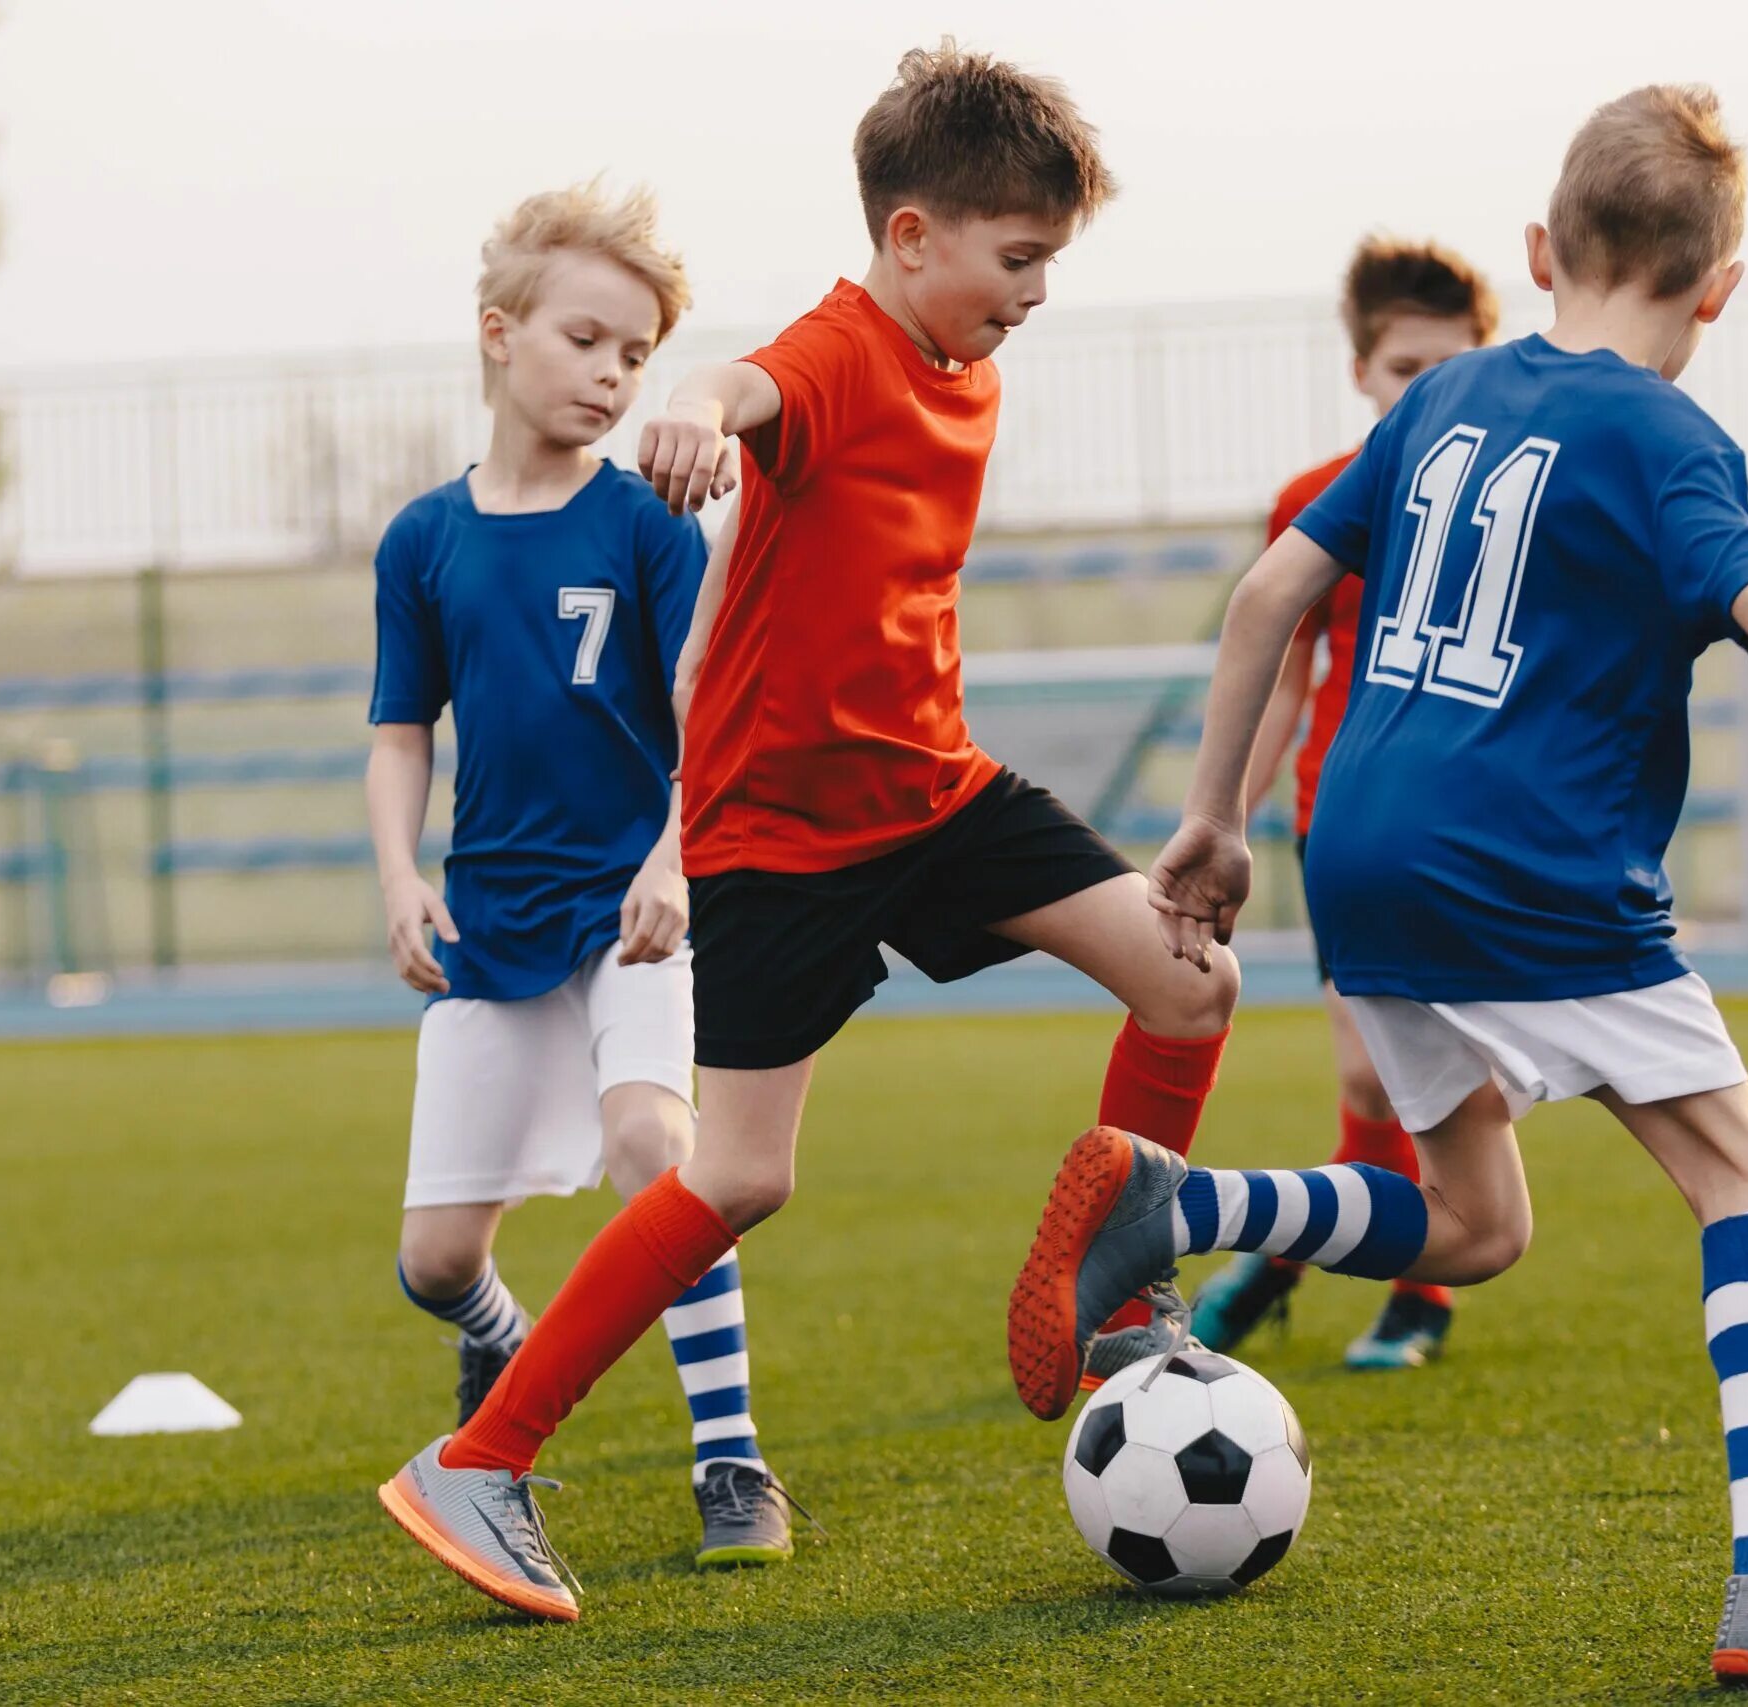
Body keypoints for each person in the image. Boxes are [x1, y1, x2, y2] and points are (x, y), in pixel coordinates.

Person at [1018, 84, 1748, 1685]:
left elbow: (1275, 586)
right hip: (1530, 862)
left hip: (1359, 847)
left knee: (1478, 1222)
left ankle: (1181, 1201)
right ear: (1721, 288)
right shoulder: (1661, 432)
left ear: (1541, 246)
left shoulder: (1446, 399)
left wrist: (1213, 817)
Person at [380, 42, 1238, 1622]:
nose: (1035, 291)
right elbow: (739, 385)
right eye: (1016, 257)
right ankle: (482, 1456)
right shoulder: (838, 351)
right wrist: (693, 414)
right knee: (739, 1177)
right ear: (912, 236)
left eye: (1051, 258)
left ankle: (1125, 1299)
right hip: (777, 842)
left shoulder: (973, 368)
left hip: (936, 789)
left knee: (1190, 979)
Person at [367, 181, 796, 1607]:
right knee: (434, 1259)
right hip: (494, 919)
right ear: (500, 334)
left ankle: (730, 1454)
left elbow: (708, 706)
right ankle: (501, 1334)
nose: (616, 374)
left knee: (657, 1147)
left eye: (637, 352)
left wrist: (674, 859)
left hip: (635, 909)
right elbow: (400, 729)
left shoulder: (651, 523)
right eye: (589, 339)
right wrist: (397, 874)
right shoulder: (422, 539)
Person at [1190, 235, 1499, 1373]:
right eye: (1405, 369)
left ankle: (1288, 1261)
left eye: (1451, 366)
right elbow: (1282, 681)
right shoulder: (1314, 502)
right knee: (1374, 1074)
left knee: (1467, 1083)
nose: (1427, 388)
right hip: (1347, 827)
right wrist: (1224, 813)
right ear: (1363, 374)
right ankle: (1411, 1293)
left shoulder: (1506, 506)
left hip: (1483, 830)